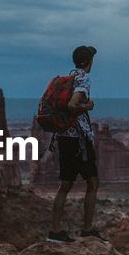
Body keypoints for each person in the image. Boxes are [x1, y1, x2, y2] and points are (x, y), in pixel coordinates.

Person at [48, 45, 104, 242]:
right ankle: (87, 229)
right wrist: (88, 105)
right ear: (89, 61)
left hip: (64, 137)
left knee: (66, 184)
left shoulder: (68, 77)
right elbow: (72, 105)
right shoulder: (83, 79)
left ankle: (54, 232)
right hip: (78, 139)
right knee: (93, 182)